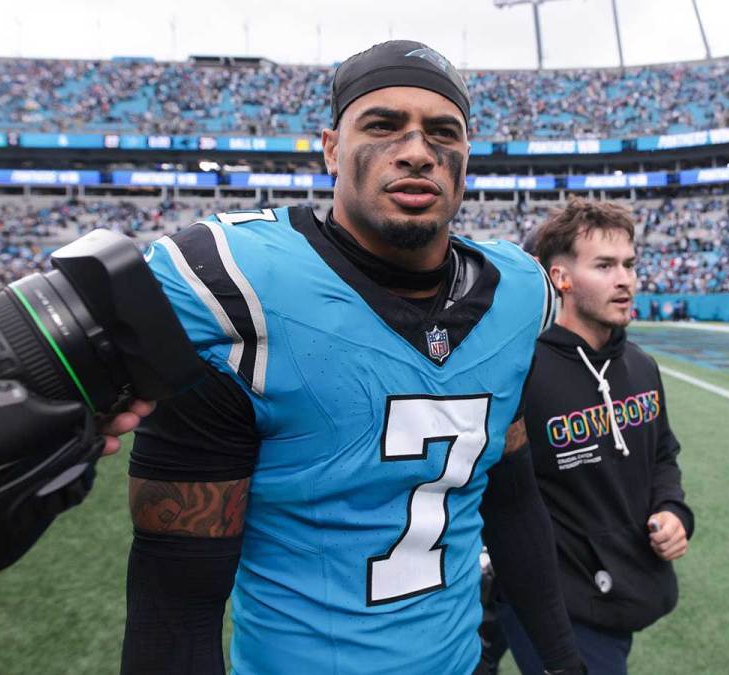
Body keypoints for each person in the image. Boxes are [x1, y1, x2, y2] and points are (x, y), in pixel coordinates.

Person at [119, 41, 584, 674]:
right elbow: (174, 602)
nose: (418, 151)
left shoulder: (519, 292)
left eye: (443, 132)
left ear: (466, 155)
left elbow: (513, 501)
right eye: (384, 125)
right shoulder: (234, 286)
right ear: (332, 148)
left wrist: (562, 661)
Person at [496, 199, 693, 674]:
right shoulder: (523, 372)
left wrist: (673, 510)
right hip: (554, 607)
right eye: (604, 265)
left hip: (626, 589)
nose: (624, 278)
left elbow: (662, 455)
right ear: (561, 279)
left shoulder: (641, 365)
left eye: (629, 264)